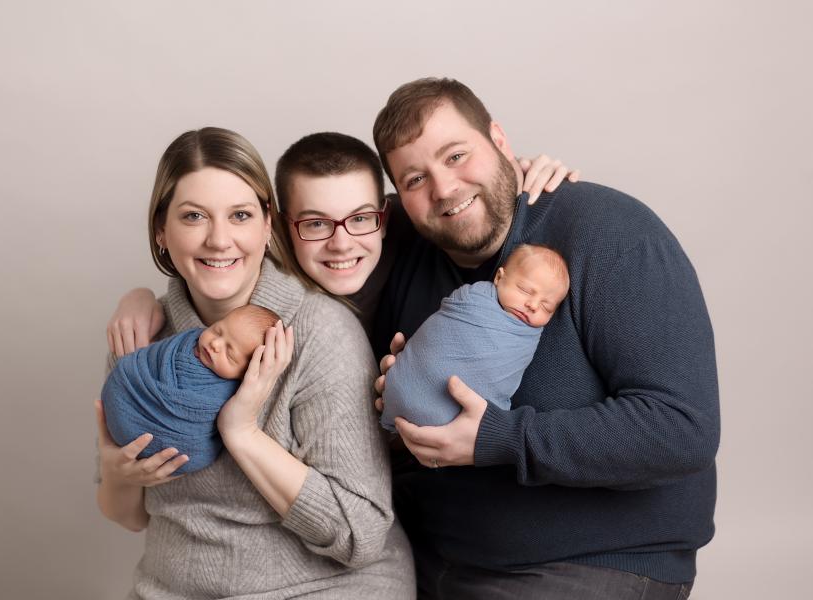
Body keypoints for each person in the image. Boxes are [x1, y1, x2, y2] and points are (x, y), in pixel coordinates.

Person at [370, 77, 719, 599]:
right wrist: (395, 410)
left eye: (457, 155)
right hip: (427, 557)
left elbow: (680, 429)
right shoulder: (399, 245)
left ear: (500, 141)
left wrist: (497, 439)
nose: (444, 189)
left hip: (589, 563)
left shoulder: (609, 234)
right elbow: (286, 219)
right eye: (415, 178)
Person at [95, 127, 416, 599]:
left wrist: (241, 432)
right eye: (193, 216)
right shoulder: (140, 338)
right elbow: (130, 516)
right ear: (161, 231)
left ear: (267, 226)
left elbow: (361, 533)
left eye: (240, 215)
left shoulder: (318, 332)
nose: (219, 240)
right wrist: (119, 476)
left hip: (320, 588)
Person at [106, 132, 578, 348]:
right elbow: (211, 250)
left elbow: (462, 200)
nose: (341, 243)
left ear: (385, 213)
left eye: (358, 219)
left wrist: (524, 173)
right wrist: (143, 297)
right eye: (314, 224)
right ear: (280, 226)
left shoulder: (405, 230)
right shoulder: (266, 273)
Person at [381, 244, 569, 431]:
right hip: (401, 388)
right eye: (525, 290)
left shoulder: (528, 338)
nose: (534, 305)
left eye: (547, 307)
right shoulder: (472, 299)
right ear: (499, 277)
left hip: (461, 429)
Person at [102, 305, 278, 475]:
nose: (216, 344)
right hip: (124, 399)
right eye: (217, 330)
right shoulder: (184, 341)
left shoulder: (228, 392)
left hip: (177, 445)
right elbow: (142, 362)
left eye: (230, 353)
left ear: (246, 373)